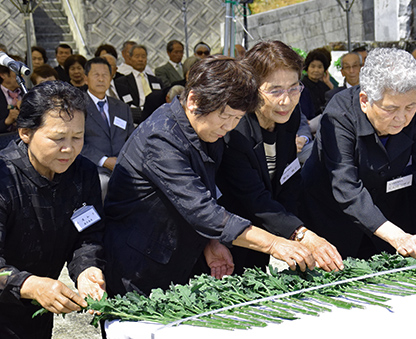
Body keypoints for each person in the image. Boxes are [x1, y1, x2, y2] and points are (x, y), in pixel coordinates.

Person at [103, 56, 316, 297]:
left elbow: (207, 191)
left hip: (179, 254)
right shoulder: (160, 139)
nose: (229, 127)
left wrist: (210, 241)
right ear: (194, 100)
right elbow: (202, 210)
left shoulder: (205, 130)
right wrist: (275, 243)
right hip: (139, 264)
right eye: (225, 117)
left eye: (237, 119)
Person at [299, 48, 416, 261]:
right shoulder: (338, 115)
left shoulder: (412, 109)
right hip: (332, 216)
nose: (402, 118)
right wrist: (397, 236)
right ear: (365, 100)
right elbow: (346, 187)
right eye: (391, 109)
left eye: (409, 107)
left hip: (385, 212)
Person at [217, 41, 343, 274]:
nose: (286, 100)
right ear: (252, 88)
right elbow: (252, 197)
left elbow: (289, 178)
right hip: (234, 235)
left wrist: (292, 230)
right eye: (275, 90)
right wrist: (299, 233)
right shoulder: (236, 129)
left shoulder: (289, 115)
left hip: (271, 228)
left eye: (294, 88)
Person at [0, 81, 105, 339]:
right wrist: (29, 284)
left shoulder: (83, 174)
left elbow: (88, 234)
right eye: (57, 138)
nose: (68, 148)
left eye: (77, 137)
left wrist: (87, 269)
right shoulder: (4, 178)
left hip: (36, 314)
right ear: (25, 133)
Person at [81, 57, 134, 200]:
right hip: (93, 169)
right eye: (96, 75)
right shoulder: (78, 107)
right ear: (86, 79)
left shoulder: (122, 108)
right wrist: (104, 161)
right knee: (103, 184)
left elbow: (132, 139)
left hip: (122, 167)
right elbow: (76, 142)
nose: (101, 79)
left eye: (105, 75)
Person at [113, 44, 163, 124]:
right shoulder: (122, 81)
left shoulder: (156, 80)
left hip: (156, 115)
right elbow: (127, 102)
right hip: (136, 117)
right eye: (137, 56)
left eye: (143, 56)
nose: (140, 59)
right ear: (130, 58)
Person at [301, 49, 333, 119]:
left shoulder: (324, 86)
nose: (316, 70)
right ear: (307, 68)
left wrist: (329, 84)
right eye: (312, 66)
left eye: (320, 67)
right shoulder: (301, 87)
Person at [0, 60, 23, 134]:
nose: (21, 76)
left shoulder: (26, 93)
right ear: (3, 75)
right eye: (17, 73)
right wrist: (7, 121)